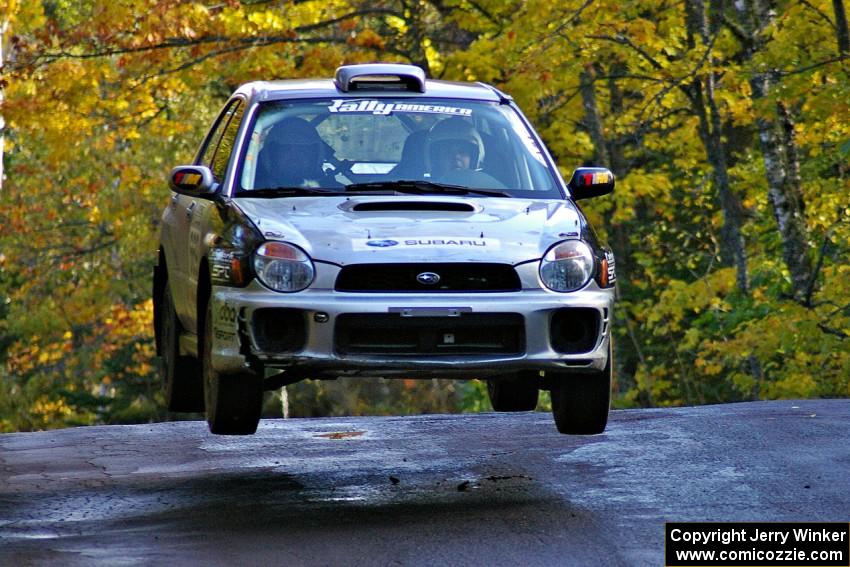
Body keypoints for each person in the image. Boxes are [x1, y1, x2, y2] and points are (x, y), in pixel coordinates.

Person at [255, 116, 339, 189]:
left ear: (315, 156)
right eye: (287, 150)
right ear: (272, 155)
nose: (294, 157)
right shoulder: (250, 191)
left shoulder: (336, 194)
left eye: (302, 151)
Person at [425, 117, 505, 189]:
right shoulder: (422, 193)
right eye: (448, 152)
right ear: (436, 158)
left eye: (462, 151)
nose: (456, 156)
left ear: (474, 157)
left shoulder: (489, 190)